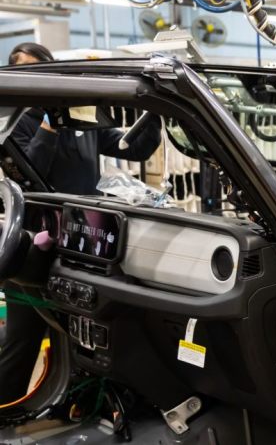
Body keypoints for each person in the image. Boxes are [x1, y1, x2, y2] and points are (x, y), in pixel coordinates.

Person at [0, 42, 162, 403]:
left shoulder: (81, 117)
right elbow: (31, 171)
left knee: (83, 335)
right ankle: (7, 409)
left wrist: (153, 113)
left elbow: (131, 148)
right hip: (34, 246)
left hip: (83, 242)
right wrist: (50, 121)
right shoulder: (14, 121)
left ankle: (76, 405)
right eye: (29, 74)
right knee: (22, 339)